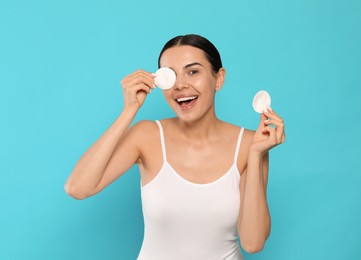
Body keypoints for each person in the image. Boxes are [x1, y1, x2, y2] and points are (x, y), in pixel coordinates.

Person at [64, 34, 285, 259]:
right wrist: (128, 111)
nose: (180, 85)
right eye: (170, 75)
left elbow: (253, 242)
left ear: (218, 79)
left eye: (193, 71)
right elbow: (78, 188)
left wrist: (257, 154)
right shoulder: (146, 135)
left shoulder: (250, 143)